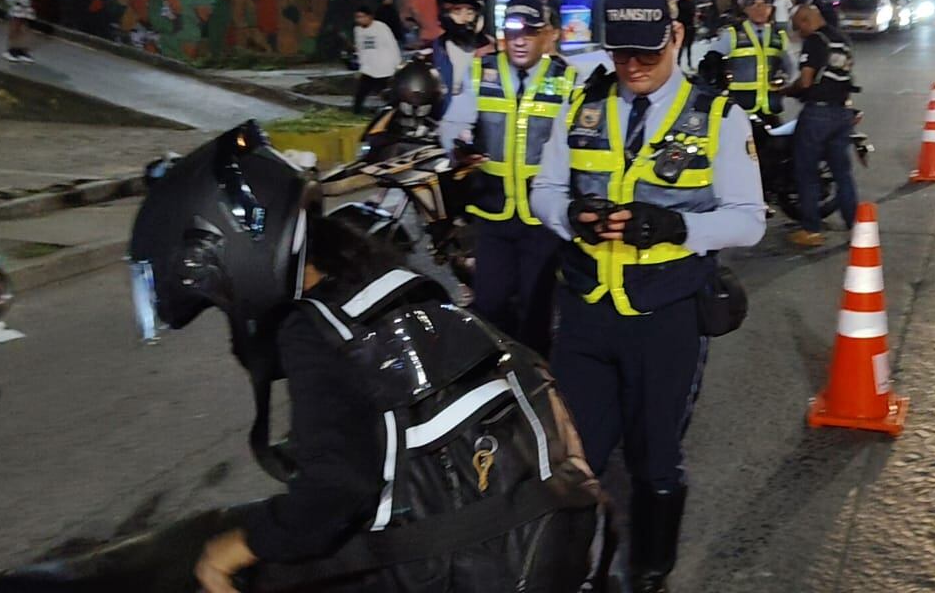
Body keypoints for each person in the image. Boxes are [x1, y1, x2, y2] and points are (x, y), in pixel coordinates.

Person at [126, 121, 598, 593]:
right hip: (539, 523)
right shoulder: (377, 279)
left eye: (218, 298)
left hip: (471, 562)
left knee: (231, 558)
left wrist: (228, 551)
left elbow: (335, 491)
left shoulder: (312, 330)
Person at [530, 0, 766, 592]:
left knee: (654, 456)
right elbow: (546, 191)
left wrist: (674, 227)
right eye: (620, 51)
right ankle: (576, 571)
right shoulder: (581, 109)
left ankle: (650, 569)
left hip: (666, 316)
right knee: (574, 456)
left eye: (647, 50)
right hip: (585, 312)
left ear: (678, 36)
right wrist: (571, 221)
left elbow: (748, 222)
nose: (631, 64)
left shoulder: (719, 116)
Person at [439, 0, 575, 355]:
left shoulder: (566, 80)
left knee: (536, 311)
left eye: (530, 32)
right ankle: (500, 377)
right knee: (490, 304)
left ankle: (537, 383)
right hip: (492, 211)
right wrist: (459, 141)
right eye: (512, 31)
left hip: (541, 218)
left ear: (546, 36)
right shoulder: (481, 72)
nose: (519, 40)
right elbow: (453, 123)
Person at [782, 4, 858, 247]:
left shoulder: (816, 40)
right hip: (842, 113)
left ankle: (811, 230)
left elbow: (805, 81)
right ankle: (856, 226)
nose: (799, 33)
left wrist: (786, 90)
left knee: (806, 172)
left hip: (818, 114)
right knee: (842, 173)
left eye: (798, 28)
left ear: (806, 21)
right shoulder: (842, 39)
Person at [701, 0, 794, 118]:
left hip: (771, 106)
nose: (759, 9)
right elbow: (710, 63)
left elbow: (790, 67)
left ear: (770, 9)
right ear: (746, 9)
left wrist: (783, 78)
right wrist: (720, 80)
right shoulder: (733, 34)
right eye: (754, 5)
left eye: (763, 5)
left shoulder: (779, 36)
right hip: (740, 107)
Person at [429, 0, 495, 120]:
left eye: (470, 12)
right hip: (444, 121)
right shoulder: (435, 51)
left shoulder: (492, 51)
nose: (464, 18)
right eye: (457, 12)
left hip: (481, 123)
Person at [351, 5, 402, 116]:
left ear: (370, 17)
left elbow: (392, 45)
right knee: (360, 93)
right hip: (369, 68)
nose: (360, 20)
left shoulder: (381, 27)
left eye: (362, 17)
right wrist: (361, 65)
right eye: (358, 17)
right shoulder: (358, 30)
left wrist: (397, 64)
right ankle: (356, 113)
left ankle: (394, 113)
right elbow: (360, 48)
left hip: (384, 67)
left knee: (387, 94)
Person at [675, 0, 696, 70]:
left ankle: (680, 63)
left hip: (685, 27)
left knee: (684, 47)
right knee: (686, 47)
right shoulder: (688, 3)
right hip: (688, 27)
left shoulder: (681, 2)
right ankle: (685, 63)